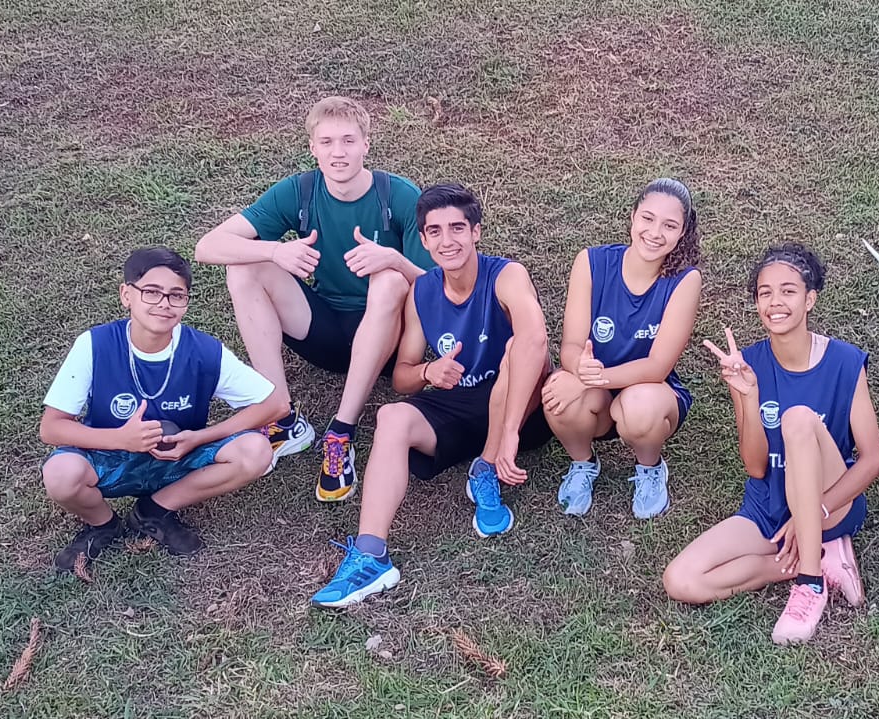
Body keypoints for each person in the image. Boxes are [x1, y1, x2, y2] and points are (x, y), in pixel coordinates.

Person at [310, 183, 552, 607]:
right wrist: (429, 370)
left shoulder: (506, 275)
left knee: (519, 348)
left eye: (457, 228)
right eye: (435, 231)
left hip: (518, 406)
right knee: (391, 417)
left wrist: (511, 431)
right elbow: (402, 378)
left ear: (476, 232)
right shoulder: (422, 291)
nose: (447, 240)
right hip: (456, 404)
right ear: (423, 240)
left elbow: (536, 342)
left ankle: (486, 469)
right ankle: (371, 555)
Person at [194, 96, 434, 502]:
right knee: (244, 267)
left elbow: (438, 287)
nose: (338, 152)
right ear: (313, 148)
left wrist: (394, 260)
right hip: (324, 330)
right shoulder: (301, 191)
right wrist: (275, 251)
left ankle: (342, 431)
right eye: (327, 142)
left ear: (366, 145)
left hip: (389, 343)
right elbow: (207, 246)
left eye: (348, 141)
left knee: (391, 281)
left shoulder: (399, 196)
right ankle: (280, 415)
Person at [661, 244, 879, 645]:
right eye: (765, 293)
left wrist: (813, 512)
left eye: (788, 291)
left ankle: (810, 585)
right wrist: (748, 395)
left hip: (831, 500)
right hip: (769, 505)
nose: (775, 302)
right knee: (681, 579)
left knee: (797, 419)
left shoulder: (845, 361)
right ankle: (815, 562)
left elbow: (872, 460)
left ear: (810, 299)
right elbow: (755, 466)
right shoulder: (747, 364)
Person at [39, 247, 283, 569]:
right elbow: (51, 428)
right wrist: (121, 439)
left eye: (176, 295)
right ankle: (103, 524)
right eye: (151, 292)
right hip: (109, 459)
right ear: (126, 295)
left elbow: (275, 404)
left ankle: (154, 511)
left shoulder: (203, 350)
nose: (164, 303)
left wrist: (199, 438)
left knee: (256, 451)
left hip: (179, 459)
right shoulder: (96, 345)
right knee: (60, 473)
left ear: (186, 303)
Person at [541, 178, 702, 518]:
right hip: (596, 394)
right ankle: (583, 463)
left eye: (669, 225)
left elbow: (657, 367)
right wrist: (578, 370)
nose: (655, 232)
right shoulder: (591, 262)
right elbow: (570, 346)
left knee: (640, 404)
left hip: (649, 392)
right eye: (648, 218)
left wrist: (585, 381)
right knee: (557, 392)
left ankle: (650, 467)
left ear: (682, 232)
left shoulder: (686, 280)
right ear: (633, 216)